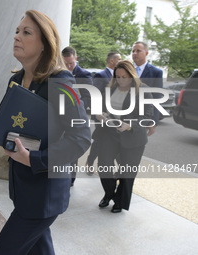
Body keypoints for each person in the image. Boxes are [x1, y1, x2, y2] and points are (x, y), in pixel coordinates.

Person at [0, 10, 91, 254]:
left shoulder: (62, 82)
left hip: (45, 193)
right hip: (23, 188)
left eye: (26, 32)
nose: (17, 36)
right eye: (17, 31)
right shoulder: (15, 80)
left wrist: (34, 159)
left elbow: (80, 138)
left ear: (44, 43)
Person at [93, 60, 153, 213]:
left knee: (127, 173)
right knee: (104, 166)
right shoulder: (110, 89)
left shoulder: (143, 90)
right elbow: (98, 108)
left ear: (132, 76)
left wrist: (131, 125)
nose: (121, 80)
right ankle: (109, 193)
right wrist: (99, 115)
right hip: (110, 133)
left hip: (133, 136)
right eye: (118, 76)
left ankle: (119, 201)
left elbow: (148, 116)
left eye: (124, 77)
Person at [62, 46, 93, 185]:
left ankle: (71, 179)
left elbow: (88, 97)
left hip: (76, 116)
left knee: (72, 146)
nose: (68, 67)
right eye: (65, 64)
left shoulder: (84, 75)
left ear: (76, 58)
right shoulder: (59, 74)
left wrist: (75, 106)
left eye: (71, 63)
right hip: (60, 115)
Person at [86, 52, 121, 171]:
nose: (121, 61)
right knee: (99, 140)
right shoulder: (101, 75)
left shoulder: (119, 76)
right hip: (101, 115)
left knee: (115, 140)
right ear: (112, 61)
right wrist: (98, 112)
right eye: (119, 59)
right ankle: (90, 162)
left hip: (115, 115)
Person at [132, 41, 163, 136]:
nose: (134, 53)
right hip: (123, 115)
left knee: (135, 145)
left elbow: (156, 97)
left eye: (138, 51)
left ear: (146, 53)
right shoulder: (125, 69)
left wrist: (152, 121)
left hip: (143, 117)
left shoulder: (155, 72)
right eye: (133, 51)